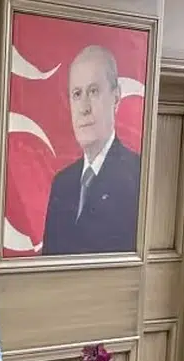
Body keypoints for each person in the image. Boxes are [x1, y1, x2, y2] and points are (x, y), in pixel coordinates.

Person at [41, 44, 141, 256]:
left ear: (116, 98)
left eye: (93, 91)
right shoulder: (61, 184)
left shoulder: (138, 175)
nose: (84, 108)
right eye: (77, 94)